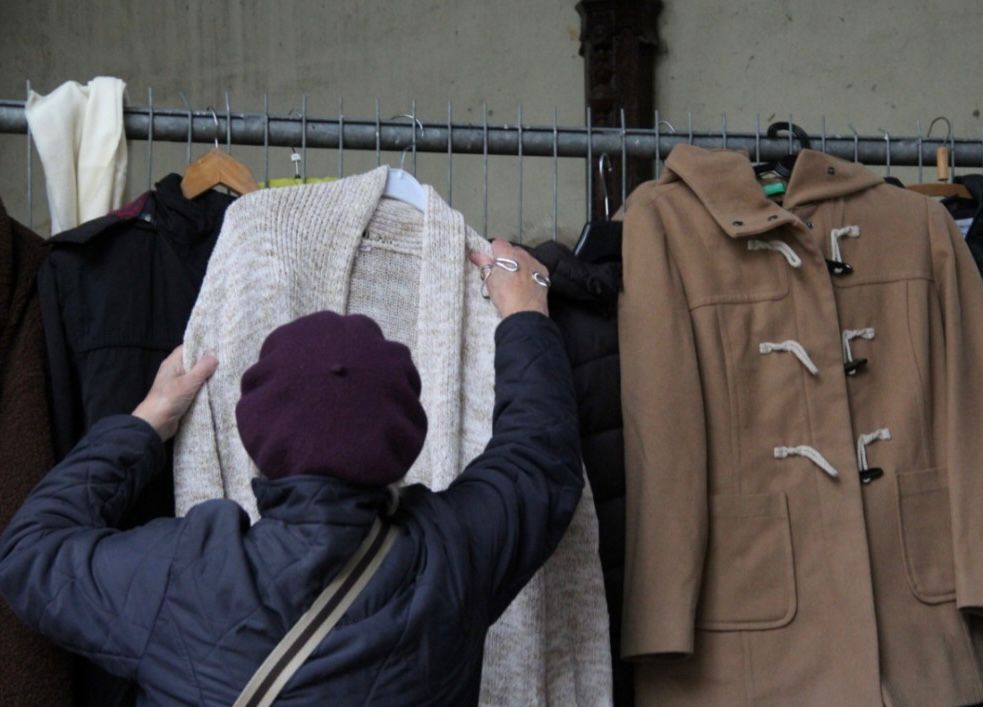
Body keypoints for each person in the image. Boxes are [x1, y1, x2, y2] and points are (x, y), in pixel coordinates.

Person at [0, 241, 582, 706]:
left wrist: (147, 421)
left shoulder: (183, 576)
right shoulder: (452, 559)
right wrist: (525, 312)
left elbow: (29, 551)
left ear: (253, 435)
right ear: (407, 440)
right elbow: (539, 460)